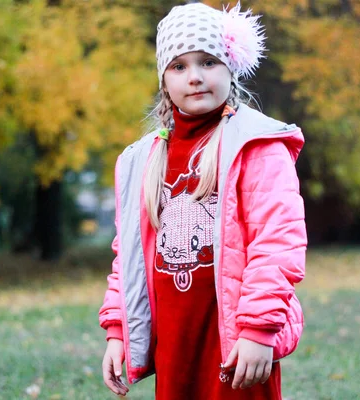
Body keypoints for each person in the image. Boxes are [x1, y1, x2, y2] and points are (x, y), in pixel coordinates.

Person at [99, 2, 307, 399]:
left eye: (208, 62)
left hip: (235, 344)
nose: (194, 77)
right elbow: (126, 257)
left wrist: (258, 329)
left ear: (231, 66)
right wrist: (118, 330)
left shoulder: (258, 146)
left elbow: (278, 243)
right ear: (164, 79)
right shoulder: (143, 159)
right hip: (176, 342)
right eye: (179, 66)